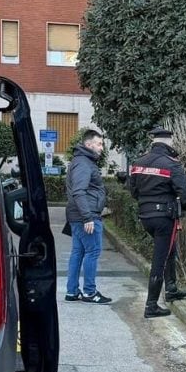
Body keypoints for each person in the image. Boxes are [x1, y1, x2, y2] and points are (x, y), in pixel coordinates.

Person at [127, 126, 186, 318]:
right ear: (169, 142)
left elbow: (133, 191)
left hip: (145, 215)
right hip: (164, 217)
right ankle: (151, 305)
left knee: (169, 249)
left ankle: (171, 288)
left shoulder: (138, 162)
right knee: (160, 259)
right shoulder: (172, 164)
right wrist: (183, 206)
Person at [65, 129, 111, 304]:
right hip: (86, 216)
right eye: (99, 144)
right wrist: (87, 217)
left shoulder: (81, 161)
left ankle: (72, 291)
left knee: (78, 252)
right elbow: (78, 191)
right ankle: (90, 292)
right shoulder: (84, 163)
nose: (101, 148)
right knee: (93, 252)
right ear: (88, 144)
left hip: (79, 215)